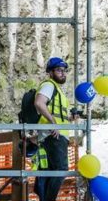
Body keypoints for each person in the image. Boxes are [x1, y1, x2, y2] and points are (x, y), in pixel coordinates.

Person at [33, 57, 72, 201]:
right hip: (54, 135)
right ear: (50, 72)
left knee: (50, 172)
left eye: (64, 71)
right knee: (60, 169)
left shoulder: (56, 89)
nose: (63, 73)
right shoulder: (49, 86)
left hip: (54, 135)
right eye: (59, 70)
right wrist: (53, 123)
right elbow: (39, 103)